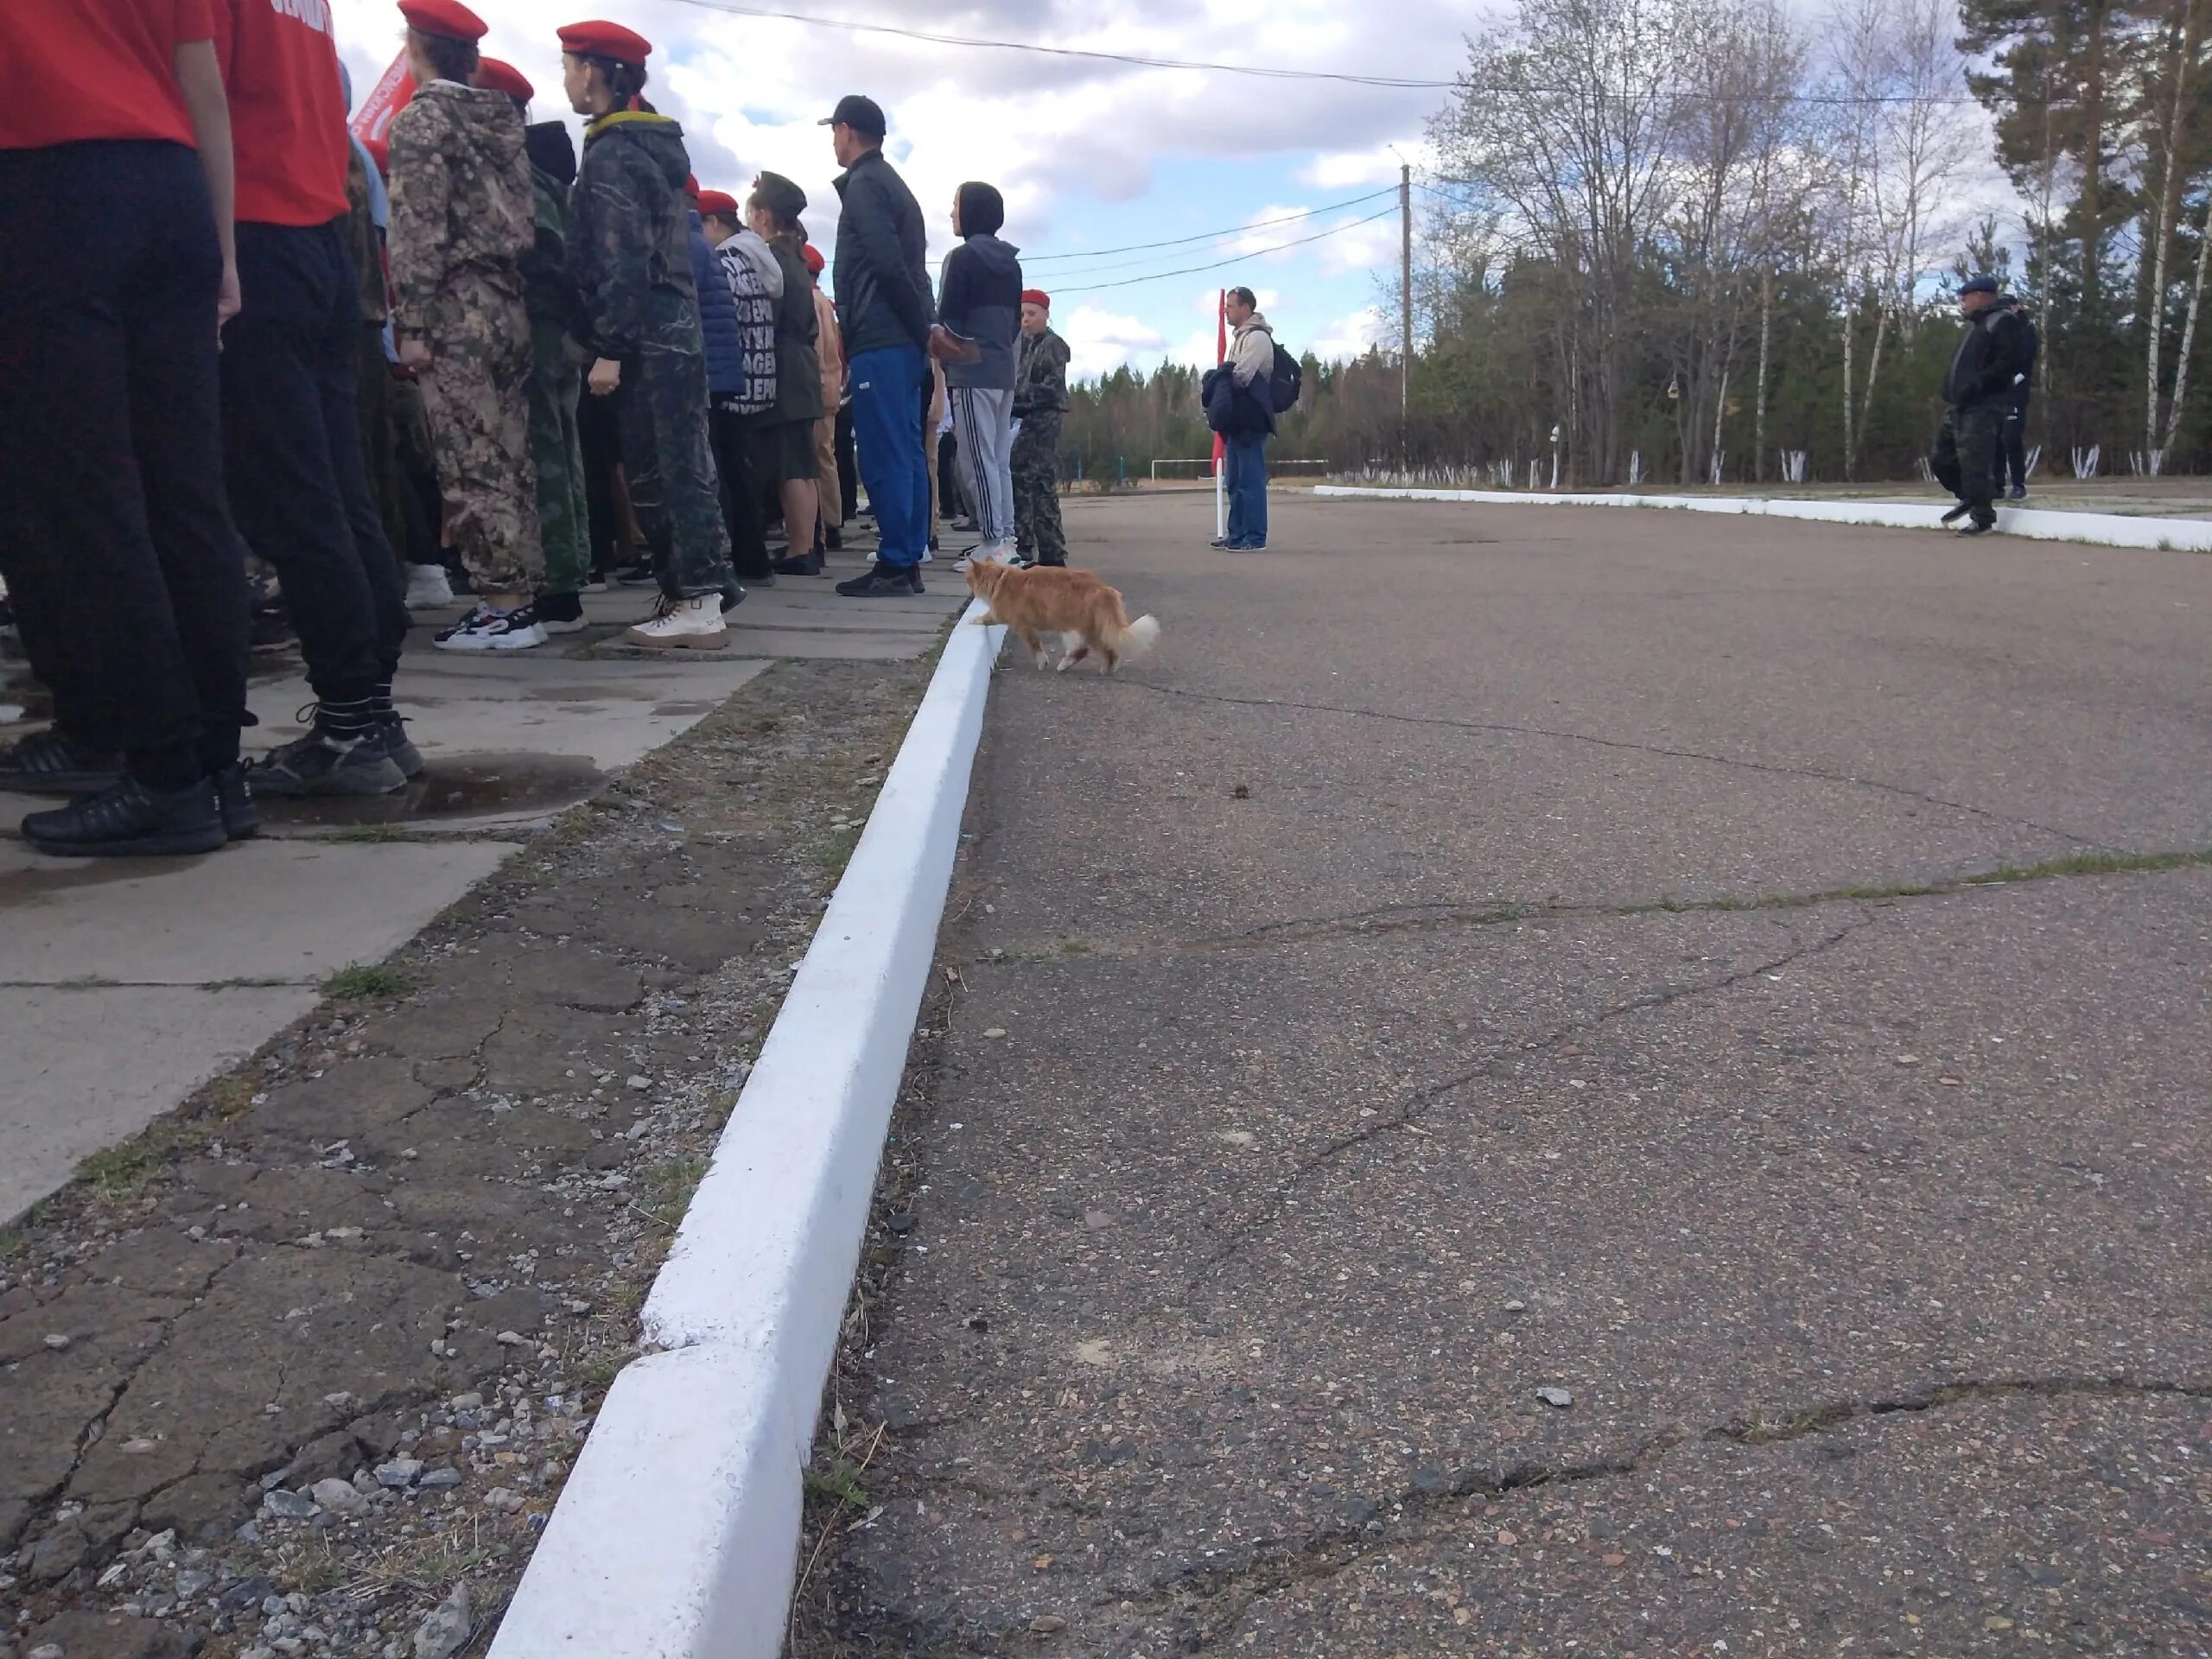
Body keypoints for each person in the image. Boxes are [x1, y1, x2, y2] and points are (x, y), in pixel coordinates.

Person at [0, 0, 254, 853]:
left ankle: (163, 773)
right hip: (170, 185)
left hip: (46, 187)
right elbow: (204, 87)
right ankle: (217, 768)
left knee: (88, 497)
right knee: (185, 492)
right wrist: (223, 249)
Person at [217, 0, 415, 793]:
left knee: (291, 502)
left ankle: (348, 725)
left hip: (253, 228)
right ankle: (369, 714)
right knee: (337, 495)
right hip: (317, 238)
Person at [559, 20, 739, 648]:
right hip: (669, 330)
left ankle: (696, 599)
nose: (566, 79)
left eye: (568, 65)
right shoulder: (645, 148)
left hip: (646, 335)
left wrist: (608, 346)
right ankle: (700, 589)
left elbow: (622, 257)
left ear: (593, 71)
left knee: (661, 470)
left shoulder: (614, 152)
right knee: (681, 464)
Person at [385, 0, 546, 652]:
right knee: (511, 453)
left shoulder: (422, 118)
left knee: (468, 456)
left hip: (455, 304)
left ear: (416, 48)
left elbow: (417, 228)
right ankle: (522, 596)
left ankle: (502, 606)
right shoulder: (501, 117)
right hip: (508, 298)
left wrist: (414, 322)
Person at [478, 57, 592, 633]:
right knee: (560, 451)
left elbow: (541, 250)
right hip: (551, 333)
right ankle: (566, 577)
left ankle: (557, 585)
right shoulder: (540, 174)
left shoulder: (521, 174)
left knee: (545, 456)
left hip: (537, 331)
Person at [823, 93, 935, 597]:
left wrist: (916, 327)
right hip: (900, 340)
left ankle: (894, 563)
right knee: (906, 450)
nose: (832, 140)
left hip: (882, 338)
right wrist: (923, 331)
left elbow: (888, 265)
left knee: (886, 452)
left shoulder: (867, 185)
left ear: (847, 130)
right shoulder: (893, 186)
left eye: (834, 131)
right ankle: (906, 558)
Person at [938, 181, 1023, 570]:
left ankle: (992, 544)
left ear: (970, 212)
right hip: (1004, 369)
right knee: (999, 460)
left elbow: (949, 319)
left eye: (955, 206)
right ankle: (1006, 536)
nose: (951, 213)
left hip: (972, 370)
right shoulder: (1012, 262)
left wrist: (948, 357)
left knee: (976, 461)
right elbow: (1013, 326)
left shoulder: (962, 258)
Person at [697, 185, 779, 585]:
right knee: (743, 473)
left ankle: (736, 558)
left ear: (714, 222)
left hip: (728, 383)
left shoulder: (725, 264)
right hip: (757, 381)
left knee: (726, 475)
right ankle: (755, 558)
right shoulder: (757, 261)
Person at [747, 172, 824, 576]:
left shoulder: (772, 258)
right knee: (801, 461)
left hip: (784, 364)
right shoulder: (794, 256)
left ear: (763, 215)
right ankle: (805, 545)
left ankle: (800, 549)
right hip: (800, 366)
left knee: (791, 464)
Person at [1930, 274, 2033, 537]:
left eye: (1966, 296)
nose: (1962, 301)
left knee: (1975, 460)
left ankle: (1983, 517)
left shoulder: (2002, 322)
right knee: (1941, 459)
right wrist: (1948, 386)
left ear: (1981, 295)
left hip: (1983, 404)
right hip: (1959, 405)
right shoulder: (1978, 325)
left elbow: (2007, 363)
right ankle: (1971, 497)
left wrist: (1977, 384)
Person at [1211, 285, 1276, 551]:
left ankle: (1255, 537)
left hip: (1251, 419)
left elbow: (1242, 375)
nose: (1226, 310)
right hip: (1236, 420)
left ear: (1246, 308)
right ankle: (1236, 535)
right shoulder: (1240, 338)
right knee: (1235, 480)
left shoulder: (1257, 338)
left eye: (1231, 306)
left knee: (1251, 481)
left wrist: (1222, 379)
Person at [1012, 289, 1071, 568]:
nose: (1026, 320)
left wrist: (1013, 399)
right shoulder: (1025, 347)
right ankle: (1031, 546)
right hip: (1028, 416)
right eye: (1022, 314)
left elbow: (1052, 386)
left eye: (1032, 314)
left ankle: (1048, 552)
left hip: (1044, 417)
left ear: (1046, 315)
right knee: (1025, 480)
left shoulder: (1053, 345)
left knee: (1038, 483)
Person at [802, 241, 845, 567]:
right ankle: (833, 521)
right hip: (831, 385)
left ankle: (818, 528)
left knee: (812, 461)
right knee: (825, 456)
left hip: (814, 386)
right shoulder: (824, 303)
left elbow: (812, 349)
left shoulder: (808, 300)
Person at [1994, 295, 2037, 502]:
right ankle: (1997, 485)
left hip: (2015, 393)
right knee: (1996, 440)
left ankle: (2019, 485)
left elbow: (2027, 363)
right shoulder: (1999, 330)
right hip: (1997, 394)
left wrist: (2012, 381)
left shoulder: (2026, 329)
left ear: (2016, 307)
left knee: (2011, 439)